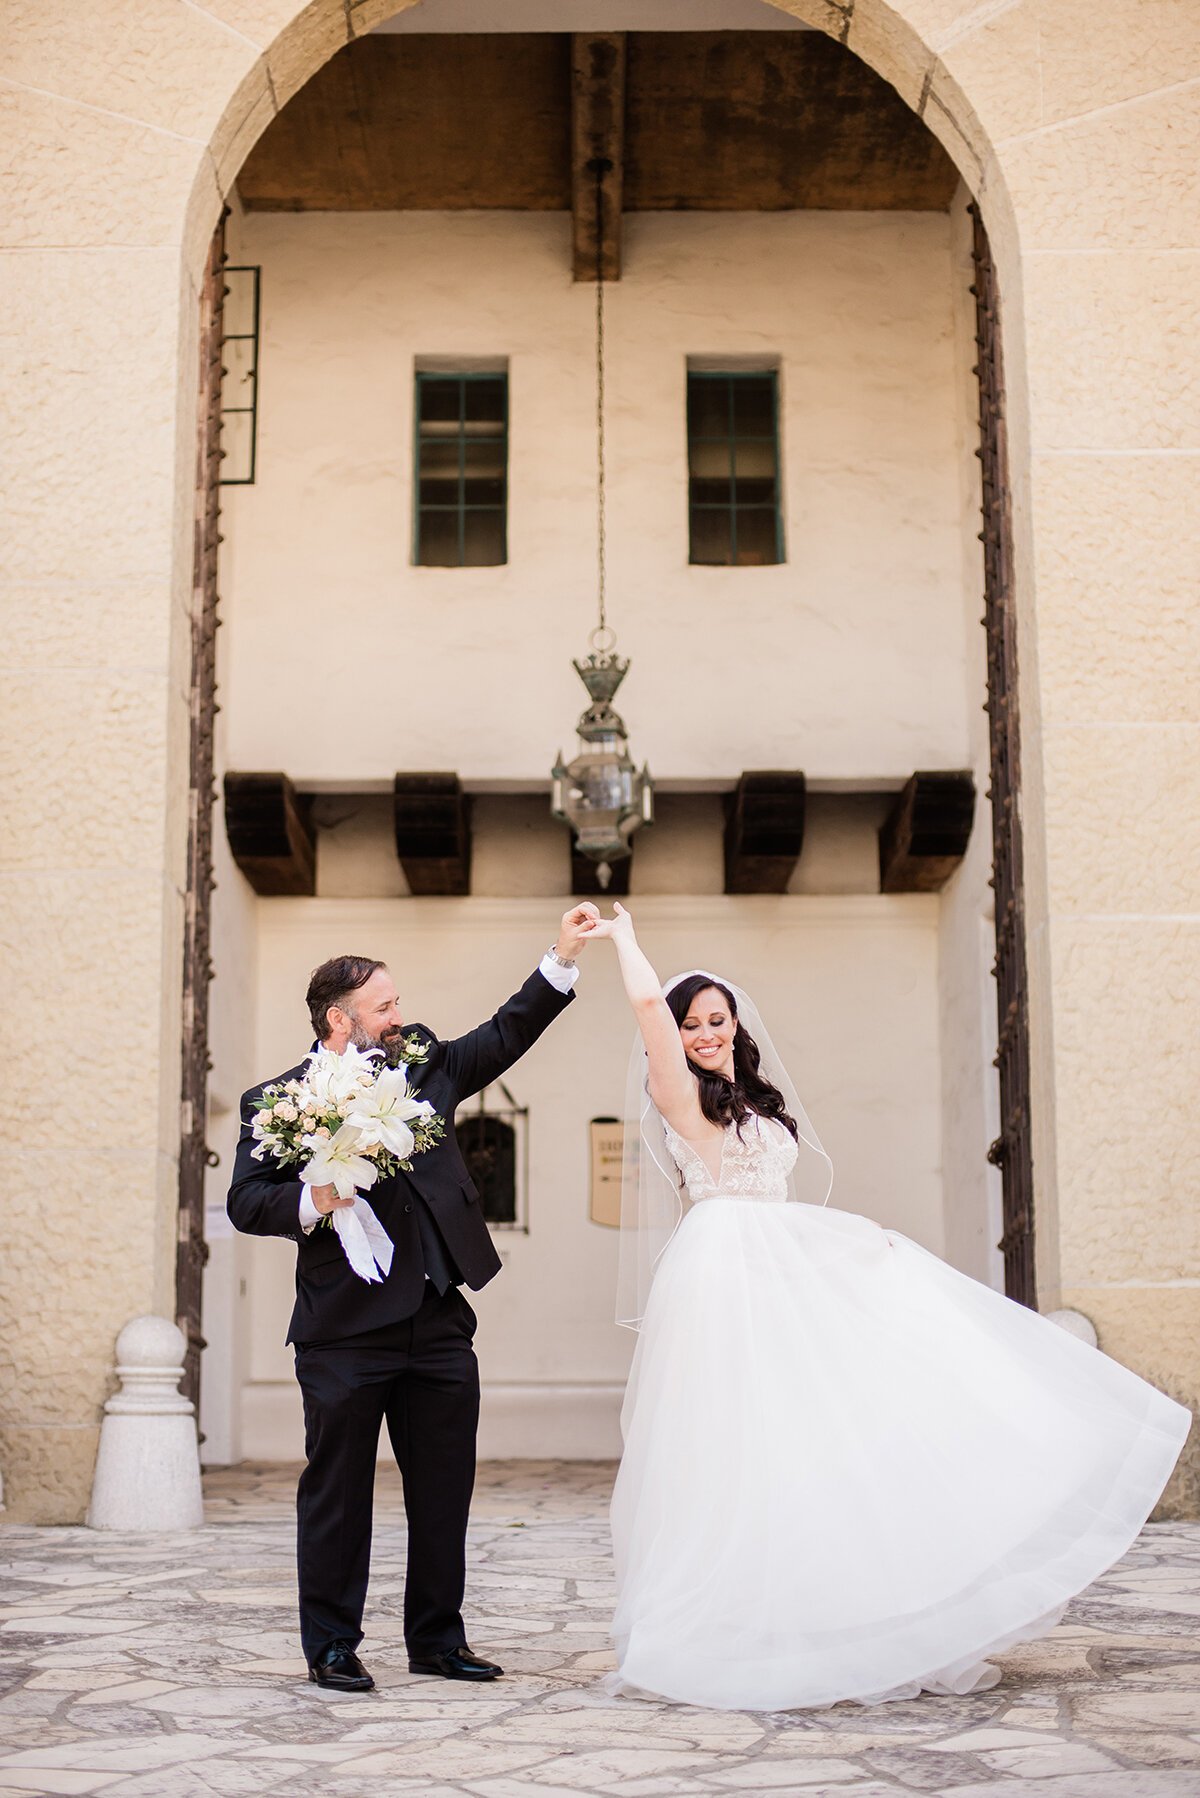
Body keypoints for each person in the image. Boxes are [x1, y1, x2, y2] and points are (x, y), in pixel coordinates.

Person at [583, 902, 1191, 1712]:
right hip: (725, 1276)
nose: (703, 1034)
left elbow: (778, 1205)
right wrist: (624, 940)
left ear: (736, 1023)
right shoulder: (681, 1100)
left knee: (829, 1431)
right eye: (691, 1023)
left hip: (781, 1263)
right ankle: (734, 1619)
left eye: (715, 1019)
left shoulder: (754, 1102)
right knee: (738, 1441)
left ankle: (842, 1605)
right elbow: (646, 1013)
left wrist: (855, 1237)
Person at [226, 907, 597, 1692]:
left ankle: (437, 1640)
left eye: (398, 1003)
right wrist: (314, 1197)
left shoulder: (424, 1067)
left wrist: (561, 958)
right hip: (341, 1332)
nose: (400, 1017)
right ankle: (331, 1645)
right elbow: (245, 1203)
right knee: (336, 1496)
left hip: (435, 1323)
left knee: (442, 1493)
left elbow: (503, 1034)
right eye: (384, 1007)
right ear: (340, 1018)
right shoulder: (274, 1101)